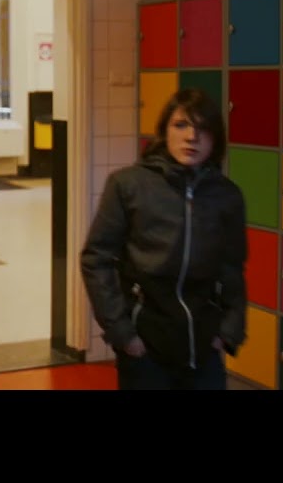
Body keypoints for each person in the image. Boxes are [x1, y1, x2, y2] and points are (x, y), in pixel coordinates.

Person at [80, 88, 247, 390]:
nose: (191, 137)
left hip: (203, 347)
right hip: (145, 346)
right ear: (164, 131)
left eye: (203, 128)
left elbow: (232, 267)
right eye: (181, 125)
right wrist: (123, 334)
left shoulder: (227, 195)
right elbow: (97, 259)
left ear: (216, 139)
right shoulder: (128, 185)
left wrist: (229, 330)